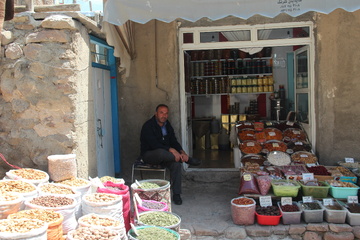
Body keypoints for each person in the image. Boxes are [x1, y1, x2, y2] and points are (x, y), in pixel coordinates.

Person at [140, 104, 201, 205]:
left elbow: (173, 140)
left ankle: (176, 194)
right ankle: (186, 160)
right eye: (161, 113)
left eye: (166, 113)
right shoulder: (148, 126)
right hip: (150, 155)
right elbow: (153, 144)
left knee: (176, 165)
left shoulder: (167, 125)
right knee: (160, 152)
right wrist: (170, 149)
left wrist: (181, 151)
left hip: (166, 156)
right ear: (156, 114)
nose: (164, 115)